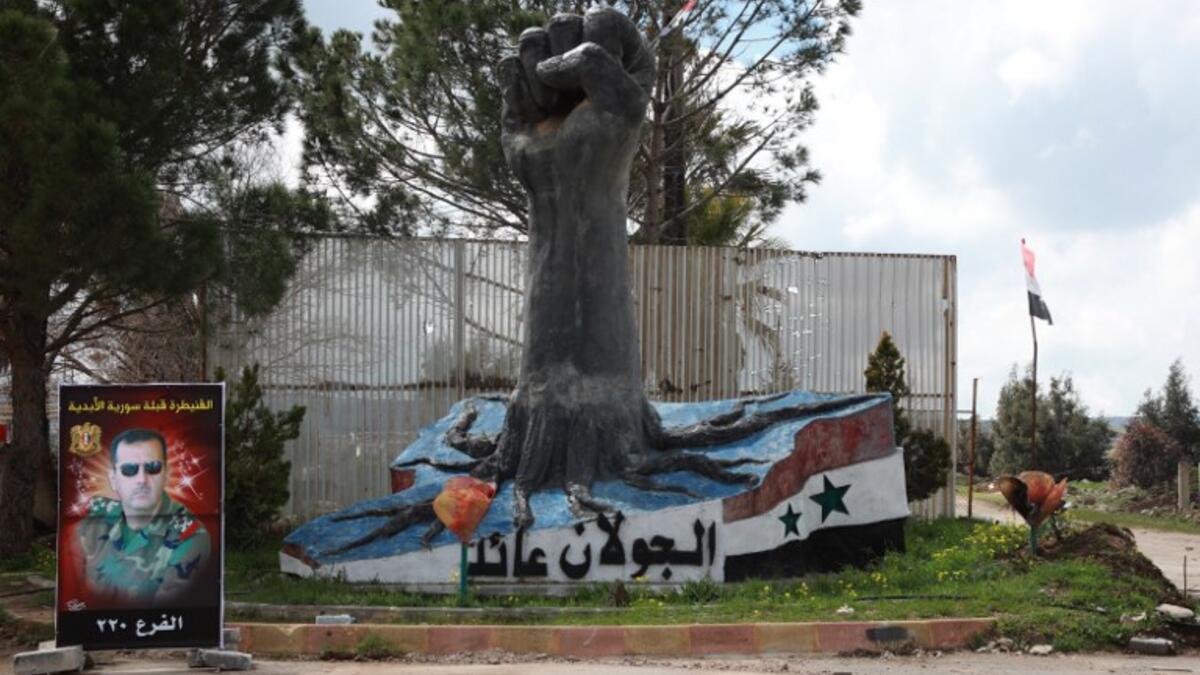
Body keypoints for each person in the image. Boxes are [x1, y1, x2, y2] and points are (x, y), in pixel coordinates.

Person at [77, 428, 211, 604]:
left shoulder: (190, 537)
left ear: (165, 474)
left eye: (152, 467)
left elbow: (165, 613)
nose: (142, 479)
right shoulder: (93, 519)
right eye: (129, 469)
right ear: (113, 479)